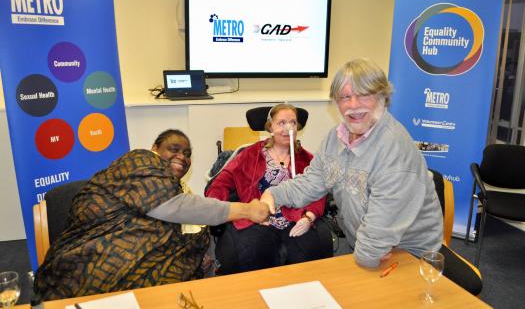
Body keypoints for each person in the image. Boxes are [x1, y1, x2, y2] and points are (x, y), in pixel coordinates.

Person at [34, 129, 269, 300]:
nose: (182, 157)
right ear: (154, 148)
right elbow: (174, 207)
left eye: (187, 154)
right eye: (174, 149)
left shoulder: (177, 189)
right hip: (89, 267)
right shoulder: (140, 162)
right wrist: (245, 209)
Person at [260, 59, 443, 268]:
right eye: (345, 97)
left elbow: (378, 234)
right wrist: (274, 194)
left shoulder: (395, 150)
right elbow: (313, 181)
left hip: (407, 254)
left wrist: (365, 253)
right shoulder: (336, 136)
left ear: (383, 97)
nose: (353, 105)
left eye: (364, 94)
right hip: (365, 247)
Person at [205, 103, 328, 272]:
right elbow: (221, 182)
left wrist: (309, 217)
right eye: (281, 123)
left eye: (292, 123)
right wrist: (217, 208)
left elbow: (319, 191)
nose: (288, 128)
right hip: (258, 218)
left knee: (309, 252)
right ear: (270, 127)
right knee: (255, 251)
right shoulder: (251, 154)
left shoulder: (308, 159)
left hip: (295, 218)